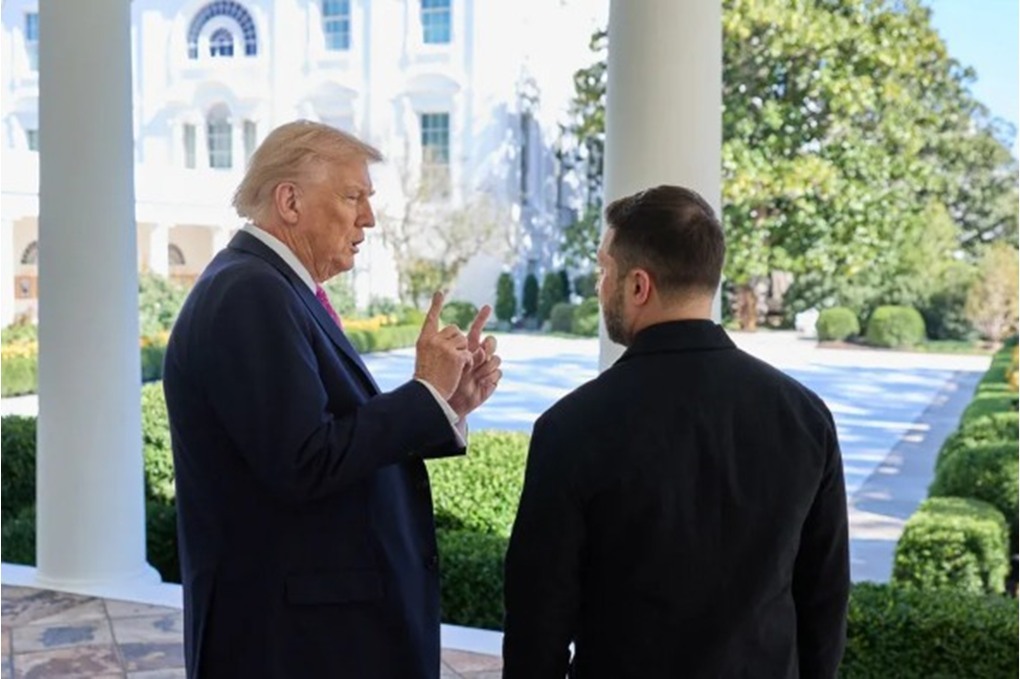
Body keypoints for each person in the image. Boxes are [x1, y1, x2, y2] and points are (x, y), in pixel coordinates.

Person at [162, 120, 502, 678]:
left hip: (308, 629)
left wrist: (446, 402)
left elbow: (325, 435)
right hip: (291, 640)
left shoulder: (274, 286)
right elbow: (304, 461)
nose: (369, 218)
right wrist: (422, 391)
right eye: (353, 197)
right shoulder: (251, 292)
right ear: (290, 201)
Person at [502, 185, 849, 679]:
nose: (600, 287)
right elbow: (824, 602)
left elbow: (538, 625)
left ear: (638, 286)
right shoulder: (805, 418)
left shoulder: (571, 427)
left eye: (604, 271)